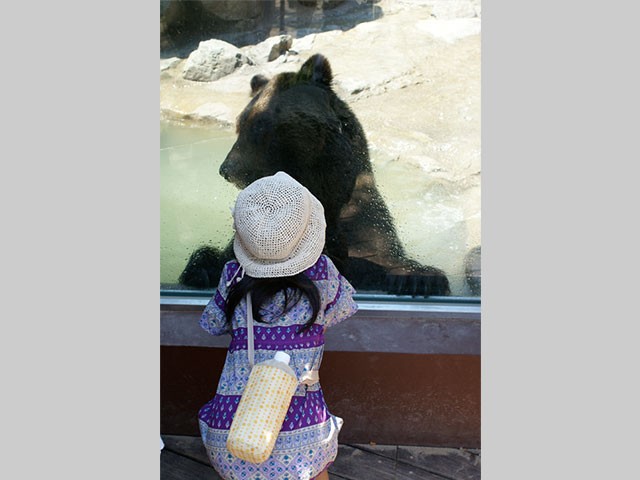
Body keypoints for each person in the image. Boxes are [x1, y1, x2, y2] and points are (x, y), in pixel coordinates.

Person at [197, 171, 358, 480]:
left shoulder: (233, 275)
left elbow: (213, 323)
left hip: (231, 437)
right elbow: (342, 310)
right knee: (316, 468)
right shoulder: (323, 272)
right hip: (303, 440)